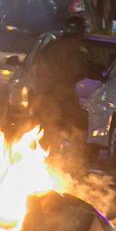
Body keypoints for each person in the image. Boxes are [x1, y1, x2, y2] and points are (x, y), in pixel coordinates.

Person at [32, 16, 89, 150]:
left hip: (46, 94)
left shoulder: (52, 46)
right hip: (64, 92)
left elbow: (39, 69)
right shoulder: (76, 48)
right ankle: (69, 154)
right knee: (77, 125)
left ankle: (50, 152)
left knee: (49, 126)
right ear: (80, 31)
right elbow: (78, 70)